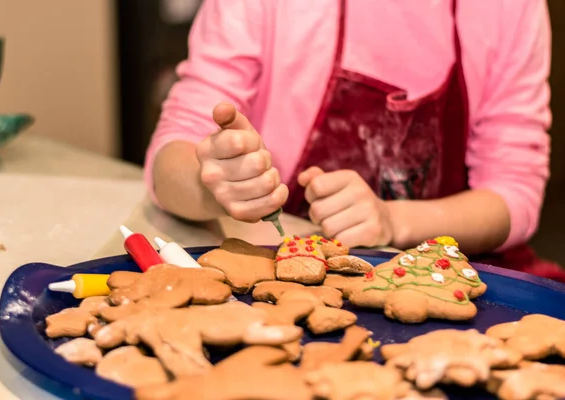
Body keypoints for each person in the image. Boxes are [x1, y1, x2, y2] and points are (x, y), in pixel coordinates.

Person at [144, 0, 565, 281]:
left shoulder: (509, 9)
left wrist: (394, 221)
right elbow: (171, 158)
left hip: (455, 272)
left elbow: (516, 195)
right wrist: (215, 183)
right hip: (291, 267)